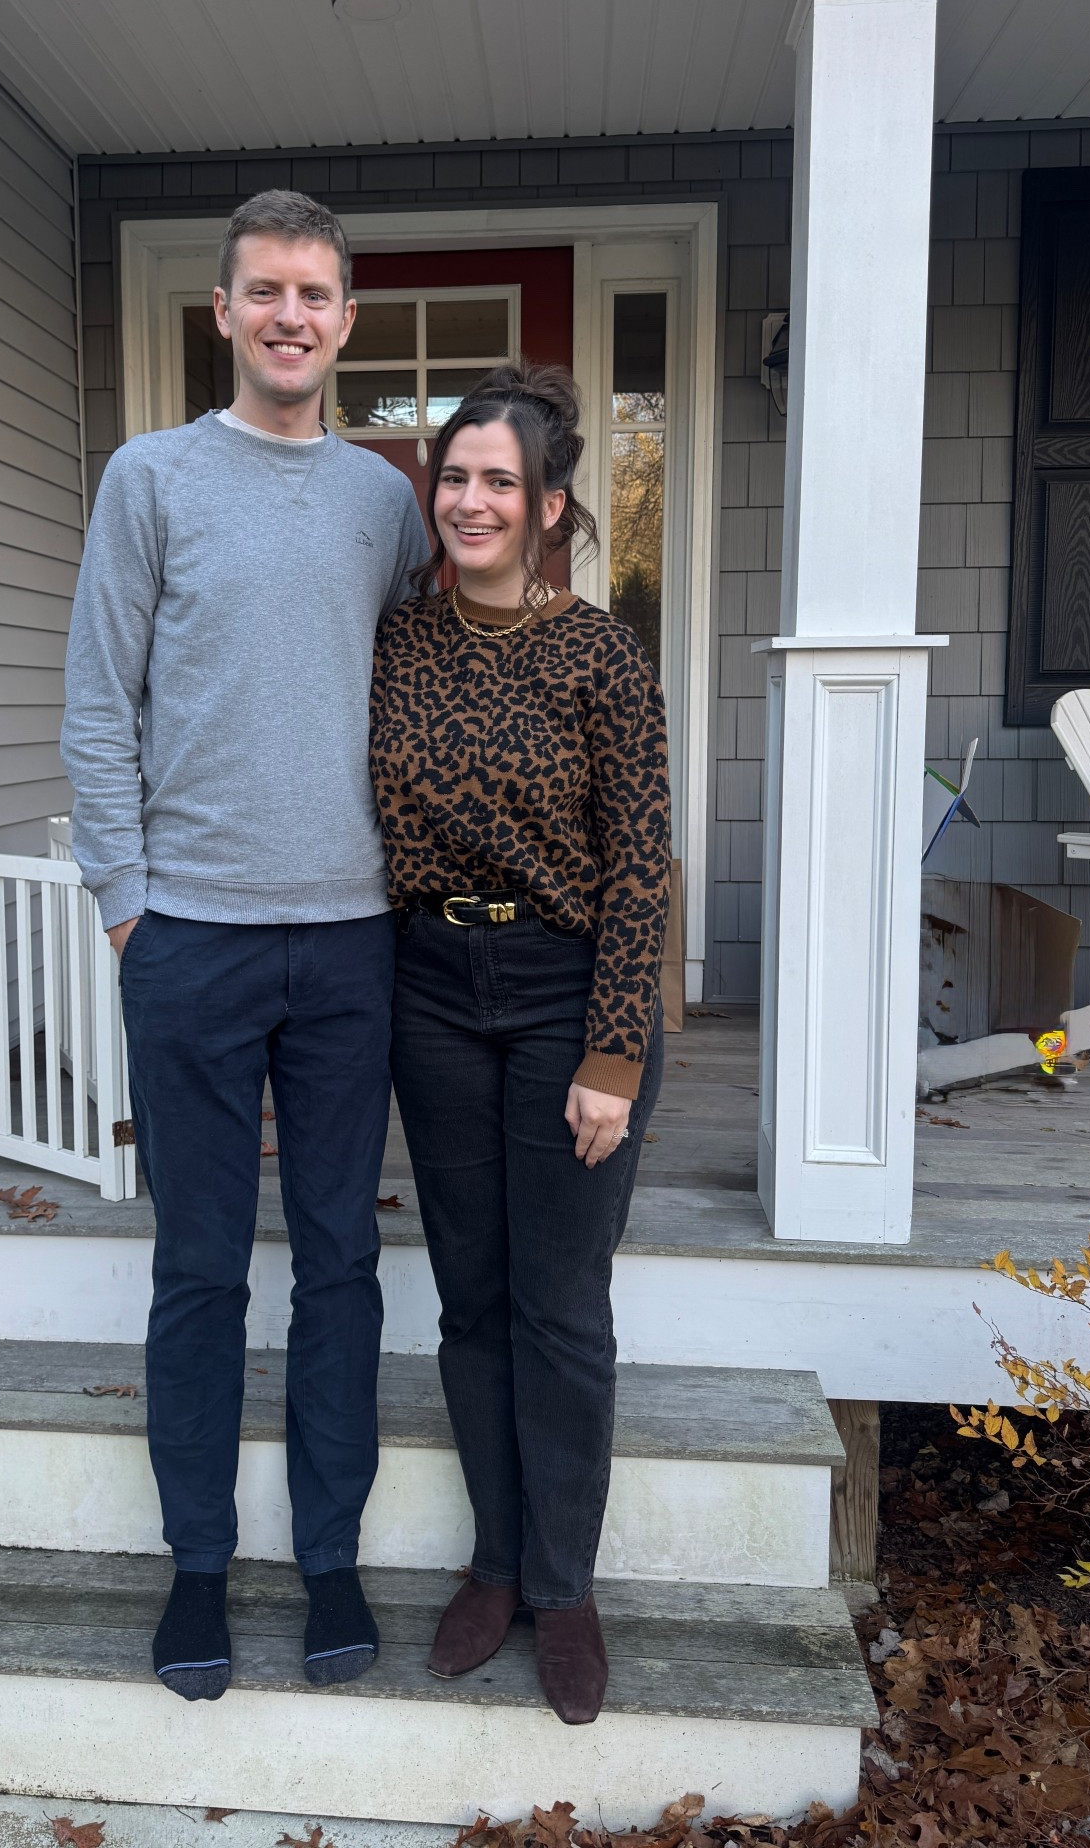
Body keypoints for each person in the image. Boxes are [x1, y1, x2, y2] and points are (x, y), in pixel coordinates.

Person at [62, 190, 428, 1703]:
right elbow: (99, 699)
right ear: (223, 311)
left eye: (317, 294)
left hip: (353, 942)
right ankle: (198, 1568)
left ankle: (329, 1558)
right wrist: (126, 902)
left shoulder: (387, 502)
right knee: (201, 1267)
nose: (292, 314)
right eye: (266, 290)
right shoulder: (149, 478)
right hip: (193, 937)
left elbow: (427, 699)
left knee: (341, 1264)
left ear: (345, 321)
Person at [370, 360, 671, 1726]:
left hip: (566, 994)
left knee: (560, 1307)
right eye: (457, 477)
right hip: (432, 983)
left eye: (502, 480)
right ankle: (493, 1561)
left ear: (552, 506)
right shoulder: (397, 642)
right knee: (471, 1299)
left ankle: (564, 1584)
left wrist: (614, 1048)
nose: (473, 500)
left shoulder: (603, 654)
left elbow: (642, 865)